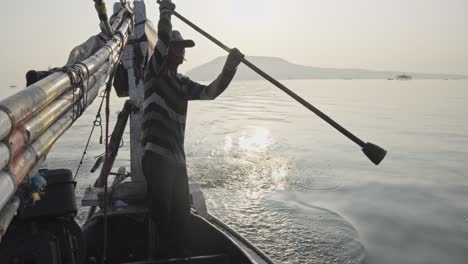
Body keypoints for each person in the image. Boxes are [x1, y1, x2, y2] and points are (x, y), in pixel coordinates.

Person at [141, 0, 244, 256]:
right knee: (160, 216)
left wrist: (230, 67)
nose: (180, 51)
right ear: (167, 51)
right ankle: (157, 258)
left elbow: (210, 93)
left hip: (177, 161)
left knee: (180, 219)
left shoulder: (182, 83)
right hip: (156, 157)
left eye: (183, 48)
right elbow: (161, 40)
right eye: (176, 47)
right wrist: (165, 12)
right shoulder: (154, 73)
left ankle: (179, 256)